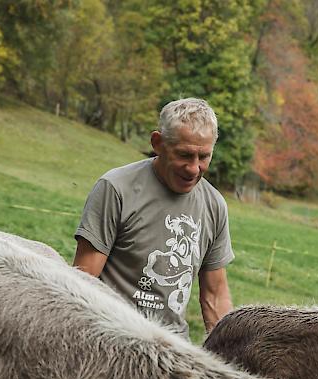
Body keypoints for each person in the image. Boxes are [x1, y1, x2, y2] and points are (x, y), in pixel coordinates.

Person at [73, 98, 234, 340]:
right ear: (157, 143)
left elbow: (215, 295)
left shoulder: (214, 205)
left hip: (172, 347)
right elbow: (82, 281)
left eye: (203, 157)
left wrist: (229, 352)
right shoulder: (116, 189)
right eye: (184, 155)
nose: (193, 168)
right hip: (113, 336)